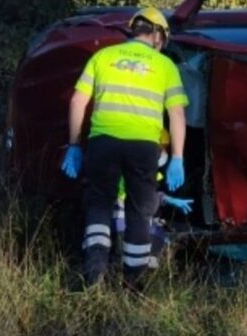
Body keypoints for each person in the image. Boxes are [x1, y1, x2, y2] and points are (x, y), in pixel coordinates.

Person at [60, 7, 189, 285]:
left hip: (102, 142)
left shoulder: (103, 56)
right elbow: (177, 114)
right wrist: (177, 157)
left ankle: (94, 273)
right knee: (139, 211)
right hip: (143, 147)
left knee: (99, 205)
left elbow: (77, 101)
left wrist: (74, 145)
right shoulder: (165, 65)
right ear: (157, 34)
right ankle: (133, 280)